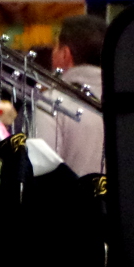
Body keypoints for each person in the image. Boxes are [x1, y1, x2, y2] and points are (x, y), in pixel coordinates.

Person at [45, 14, 106, 176]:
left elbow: (40, 170)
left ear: (65, 54)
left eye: (55, 47)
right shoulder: (129, 103)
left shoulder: (51, 102)